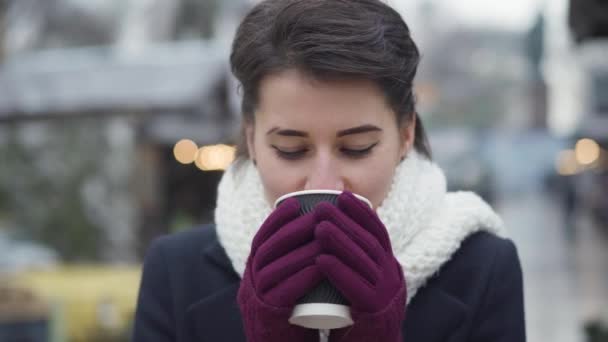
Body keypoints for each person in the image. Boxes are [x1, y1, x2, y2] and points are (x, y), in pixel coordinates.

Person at [132, 0, 526, 341]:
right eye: (291, 149)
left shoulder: (481, 269)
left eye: (357, 149)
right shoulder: (176, 273)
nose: (324, 182)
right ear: (251, 139)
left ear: (406, 134)